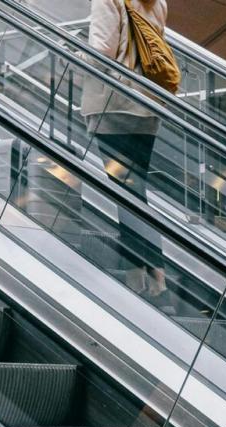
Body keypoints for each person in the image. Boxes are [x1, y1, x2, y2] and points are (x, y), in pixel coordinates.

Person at [82, 0, 170, 304]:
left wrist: (74, 51)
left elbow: (101, 52)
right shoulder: (157, 2)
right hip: (147, 107)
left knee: (126, 194)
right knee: (136, 191)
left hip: (114, 106)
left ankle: (138, 276)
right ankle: (154, 274)